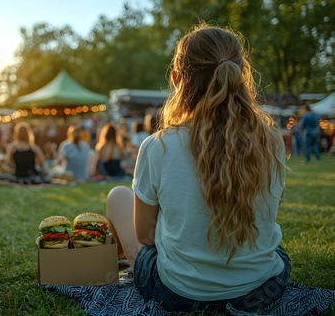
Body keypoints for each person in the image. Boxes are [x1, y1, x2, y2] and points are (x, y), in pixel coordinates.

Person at [106, 23, 290, 314]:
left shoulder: (159, 146)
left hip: (181, 293)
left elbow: (144, 236)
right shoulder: (271, 140)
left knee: (117, 196)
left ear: (178, 79)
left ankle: (124, 264)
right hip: (263, 289)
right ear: (241, 75)